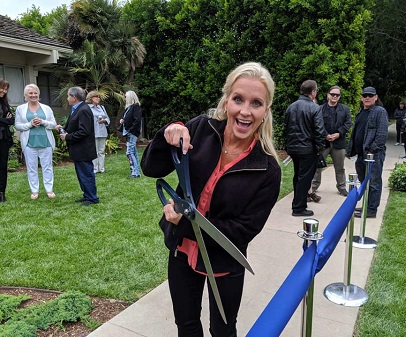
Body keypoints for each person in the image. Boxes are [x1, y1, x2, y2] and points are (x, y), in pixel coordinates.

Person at [141, 62, 281, 336]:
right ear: (226, 99)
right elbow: (151, 169)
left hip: (225, 262)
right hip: (182, 252)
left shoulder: (267, 169)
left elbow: (243, 231)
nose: (245, 111)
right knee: (187, 325)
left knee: (223, 330)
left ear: (265, 111)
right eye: (238, 99)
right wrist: (168, 133)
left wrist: (186, 222)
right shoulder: (201, 130)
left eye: (256, 103)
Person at [284, 79, 326, 216]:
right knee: (304, 178)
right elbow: (320, 131)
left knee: (298, 176)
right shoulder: (314, 108)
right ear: (313, 92)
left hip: (293, 148)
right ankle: (299, 208)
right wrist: (319, 149)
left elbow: (286, 129)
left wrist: (288, 146)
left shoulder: (291, 107)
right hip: (307, 149)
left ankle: (297, 204)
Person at [347, 86, 388, 218]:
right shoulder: (361, 112)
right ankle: (366, 206)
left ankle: (371, 210)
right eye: (365, 96)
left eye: (370, 96)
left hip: (373, 155)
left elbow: (382, 135)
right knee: (364, 182)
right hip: (361, 155)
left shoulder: (379, 111)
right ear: (361, 98)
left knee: (374, 182)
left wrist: (372, 149)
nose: (367, 98)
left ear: (376, 97)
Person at [56, 87, 99, 206]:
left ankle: (92, 198)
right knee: (82, 174)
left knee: (86, 174)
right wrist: (62, 129)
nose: (67, 98)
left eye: (68, 96)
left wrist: (67, 137)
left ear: (74, 97)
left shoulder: (83, 110)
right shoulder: (78, 109)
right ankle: (87, 195)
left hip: (83, 149)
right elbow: (75, 127)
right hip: (79, 149)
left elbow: (84, 131)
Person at [14, 84, 57, 199]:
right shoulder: (20, 109)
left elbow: (53, 124)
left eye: (35, 93)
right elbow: (17, 126)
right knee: (31, 167)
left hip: (45, 142)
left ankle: (49, 189)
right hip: (29, 143)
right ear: (26, 95)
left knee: (47, 166)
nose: (33, 95)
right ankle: (34, 191)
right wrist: (30, 124)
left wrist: (43, 122)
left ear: (38, 94)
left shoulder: (46, 108)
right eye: (30, 93)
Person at [311, 85, 352, 198]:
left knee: (340, 167)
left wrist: (338, 133)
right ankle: (313, 187)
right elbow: (317, 124)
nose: (334, 96)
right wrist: (325, 135)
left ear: (339, 97)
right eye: (332, 94)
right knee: (317, 167)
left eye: (337, 95)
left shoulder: (345, 109)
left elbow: (348, 123)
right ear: (328, 95)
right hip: (323, 143)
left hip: (339, 143)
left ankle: (342, 187)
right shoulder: (319, 109)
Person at [118, 91, 142, 178]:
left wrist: (131, 130)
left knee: (129, 152)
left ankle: (135, 172)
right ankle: (136, 170)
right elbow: (129, 119)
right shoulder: (129, 108)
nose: (125, 98)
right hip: (129, 132)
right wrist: (123, 121)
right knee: (133, 152)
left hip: (132, 133)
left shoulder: (135, 107)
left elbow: (137, 120)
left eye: (126, 97)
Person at [86, 91, 110, 173]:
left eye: (99, 97)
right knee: (94, 151)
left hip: (102, 132)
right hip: (93, 132)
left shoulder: (102, 107)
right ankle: (95, 168)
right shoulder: (88, 108)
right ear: (91, 98)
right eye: (96, 97)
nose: (98, 98)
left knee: (101, 151)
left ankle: (102, 168)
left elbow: (108, 119)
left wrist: (105, 120)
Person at [0, 79, 15, 202]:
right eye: (2, 88)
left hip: (3, 138)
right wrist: (4, 119)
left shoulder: (5, 103)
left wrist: (3, 119)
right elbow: (7, 120)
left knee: (2, 166)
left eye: (6, 89)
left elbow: (11, 120)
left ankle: (1, 193)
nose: (4, 91)